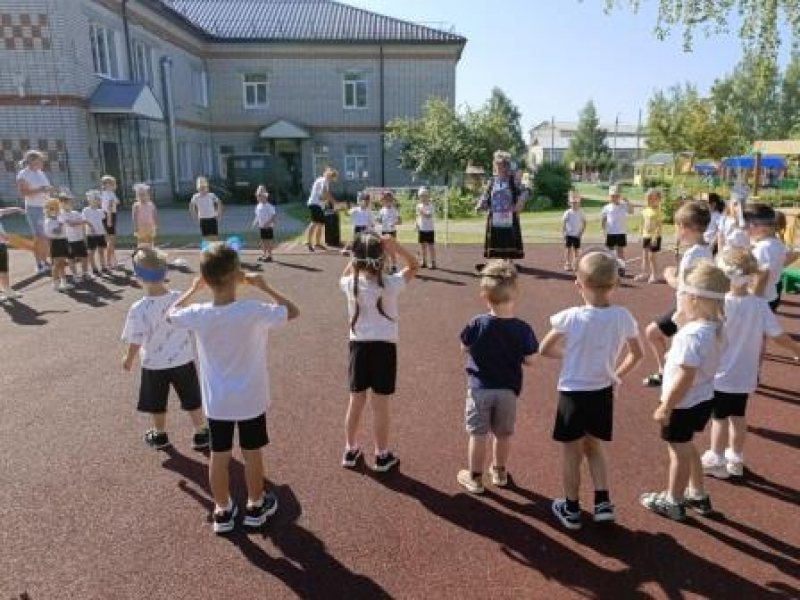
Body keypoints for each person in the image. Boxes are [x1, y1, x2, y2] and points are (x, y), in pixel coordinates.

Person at [168, 243, 299, 534]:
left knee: (219, 455)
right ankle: (255, 504)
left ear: (207, 279)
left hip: (218, 403)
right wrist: (265, 286)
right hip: (250, 399)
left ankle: (222, 510)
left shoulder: (199, 313)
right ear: (237, 275)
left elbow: (170, 314)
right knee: (252, 453)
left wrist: (192, 290)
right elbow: (293, 311)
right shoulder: (252, 310)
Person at [539, 252, 643, 530]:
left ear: (578, 284)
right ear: (616, 284)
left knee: (571, 453)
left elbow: (544, 348)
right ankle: (602, 503)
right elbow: (637, 354)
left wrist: (572, 355)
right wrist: (616, 376)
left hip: (573, 393)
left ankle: (571, 509)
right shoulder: (623, 316)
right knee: (594, 447)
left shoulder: (571, 316)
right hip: (602, 392)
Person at [640, 261, 729, 521]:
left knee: (677, 452)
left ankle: (674, 500)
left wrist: (666, 406)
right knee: (687, 446)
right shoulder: (715, 327)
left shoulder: (691, 335)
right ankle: (697, 493)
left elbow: (685, 375)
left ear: (694, 299)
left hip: (682, 403)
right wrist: (682, 326)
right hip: (701, 399)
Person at [702, 248, 800, 480]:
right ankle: (736, 458)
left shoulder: (719, 304)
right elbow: (778, 335)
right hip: (745, 374)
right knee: (738, 416)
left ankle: (716, 458)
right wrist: (797, 349)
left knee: (719, 419)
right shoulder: (759, 304)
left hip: (720, 375)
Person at [457, 261, 537, 494]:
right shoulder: (523, 329)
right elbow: (531, 360)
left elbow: (464, 347)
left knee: (477, 434)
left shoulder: (477, 323)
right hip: (508, 391)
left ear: (485, 295)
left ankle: (475, 477)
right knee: (503, 435)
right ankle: (499, 471)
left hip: (479, 389)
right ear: (516, 293)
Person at [340, 233, 419, 472]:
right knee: (380, 406)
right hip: (384, 348)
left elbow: (345, 274)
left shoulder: (349, 283)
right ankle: (381, 455)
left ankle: (350, 449)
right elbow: (414, 265)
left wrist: (357, 256)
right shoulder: (391, 284)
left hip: (359, 347)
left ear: (355, 259)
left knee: (356, 401)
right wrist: (397, 246)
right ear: (382, 258)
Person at [121, 247, 209, 451]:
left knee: (157, 401)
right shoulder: (178, 298)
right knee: (191, 397)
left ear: (138, 277)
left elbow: (136, 339)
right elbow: (189, 317)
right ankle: (201, 431)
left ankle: (160, 434)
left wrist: (128, 358)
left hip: (154, 364)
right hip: (183, 360)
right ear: (164, 272)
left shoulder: (138, 308)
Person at [642, 202, 712, 387]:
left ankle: (672, 380)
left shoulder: (693, 254)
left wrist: (669, 276)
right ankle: (665, 372)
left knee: (677, 351)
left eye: (676, 226)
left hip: (688, 311)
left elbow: (685, 288)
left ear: (684, 227)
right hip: (692, 307)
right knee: (652, 333)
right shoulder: (704, 249)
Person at [477, 151, 524, 270]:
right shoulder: (492, 181)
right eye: (496, 164)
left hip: (509, 216)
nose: (498, 167)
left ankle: (509, 262)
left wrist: (518, 205)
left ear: (506, 166)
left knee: (508, 238)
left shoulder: (512, 180)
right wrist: (480, 204)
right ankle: (497, 263)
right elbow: (485, 195)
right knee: (496, 239)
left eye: (500, 165)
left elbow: (524, 192)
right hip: (495, 215)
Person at [16, 150, 52, 274]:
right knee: (39, 237)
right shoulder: (23, 174)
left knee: (46, 237)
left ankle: (44, 261)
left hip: (46, 207)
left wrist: (49, 191)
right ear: (31, 161)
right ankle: (39, 264)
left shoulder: (40, 172)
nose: (42, 163)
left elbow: (45, 189)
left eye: (42, 161)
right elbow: (23, 193)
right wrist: (41, 189)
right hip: (34, 208)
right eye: (39, 161)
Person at [746, 204, 787, 313]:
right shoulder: (777, 243)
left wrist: (752, 303)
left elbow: (761, 278)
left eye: (748, 225)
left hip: (759, 299)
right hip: (769, 295)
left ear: (762, 228)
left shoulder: (763, 248)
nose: (745, 229)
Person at [600, 185, 633, 276]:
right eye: (612, 196)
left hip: (620, 232)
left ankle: (621, 268)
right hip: (610, 232)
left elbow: (631, 211)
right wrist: (603, 230)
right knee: (610, 251)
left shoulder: (623, 206)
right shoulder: (606, 207)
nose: (614, 198)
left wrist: (628, 201)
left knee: (620, 251)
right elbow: (603, 220)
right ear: (609, 196)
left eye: (616, 196)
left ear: (619, 196)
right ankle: (610, 268)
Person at [58, 191, 91, 282]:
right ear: (60, 203)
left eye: (69, 201)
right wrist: (79, 222)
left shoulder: (76, 213)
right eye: (64, 201)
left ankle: (85, 273)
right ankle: (75, 275)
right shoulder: (60, 214)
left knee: (84, 257)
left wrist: (79, 224)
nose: (67, 203)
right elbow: (71, 224)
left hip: (79, 239)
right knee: (71, 258)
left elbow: (84, 222)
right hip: (69, 241)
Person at [634, 188, 664, 283]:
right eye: (650, 198)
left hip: (654, 237)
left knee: (652, 257)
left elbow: (659, 226)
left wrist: (654, 238)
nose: (652, 200)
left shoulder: (658, 211)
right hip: (645, 236)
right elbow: (642, 223)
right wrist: (640, 235)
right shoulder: (645, 210)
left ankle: (654, 275)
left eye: (655, 199)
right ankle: (644, 273)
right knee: (645, 256)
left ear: (658, 200)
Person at [306, 167, 337, 252]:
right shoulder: (324, 180)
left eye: (332, 176)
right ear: (327, 174)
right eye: (331, 176)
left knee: (320, 224)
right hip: (314, 204)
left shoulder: (323, 181)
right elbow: (324, 193)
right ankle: (309, 242)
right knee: (314, 222)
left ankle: (317, 243)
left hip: (317, 205)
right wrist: (334, 201)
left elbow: (322, 195)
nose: (332, 178)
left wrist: (326, 202)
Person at [44, 197, 71, 292]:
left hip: (63, 241)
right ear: (47, 210)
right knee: (56, 264)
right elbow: (56, 232)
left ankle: (64, 282)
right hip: (55, 243)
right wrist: (60, 224)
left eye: (56, 208)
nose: (55, 211)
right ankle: (55, 283)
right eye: (52, 209)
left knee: (62, 263)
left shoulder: (59, 219)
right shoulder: (48, 221)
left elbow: (63, 231)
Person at [0, 205, 26, 301]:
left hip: (1, 244)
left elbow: (5, 211)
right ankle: (7, 291)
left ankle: (7, 290)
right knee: (3, 269)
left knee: (3, 269)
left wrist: (17, 209)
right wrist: (2, 235)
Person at [83, 190, 109, 275]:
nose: (97, 201)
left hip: (100, 234)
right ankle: (94, 268)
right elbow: (84, 220)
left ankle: (103, 266)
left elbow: (103, 223)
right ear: (89, 200)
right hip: (91, 235)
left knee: (101, 251)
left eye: (98, 199)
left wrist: (105, 233)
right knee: (91, 252)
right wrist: (91, 226)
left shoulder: (100, 211)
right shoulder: (86, 210)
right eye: (95, 199)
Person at [190, 176, 223, 241]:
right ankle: (208, 246)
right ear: (198, 189)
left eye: (204, 188)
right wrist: (194, 215)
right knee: (205, 237)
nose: (203, 190)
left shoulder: (211, 195)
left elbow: (219, 203)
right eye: (201, 188)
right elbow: (191, 206)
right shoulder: (195, 197)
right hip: (202, 219)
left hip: (212, 218)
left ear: (207, 188)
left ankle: (215, 246)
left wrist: (219, 213)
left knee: (214, 236)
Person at [561, 191, 586, 272]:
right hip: (569, 234)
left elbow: (584, 223)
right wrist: (564, 233)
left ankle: (576, 264)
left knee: (576, 250)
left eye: (576, 203)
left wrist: (581, 232)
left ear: (579, 203)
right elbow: (564, 223)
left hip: (577, 235)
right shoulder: (568, 212)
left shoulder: (581, 212)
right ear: (569, 203)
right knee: (568, 249)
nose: (574, 204)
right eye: (572, 203)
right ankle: (567, 264)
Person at [100, 175, 120, 269]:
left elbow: (116, 202)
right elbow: (109, 207)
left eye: (113, 183)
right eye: (112, 183)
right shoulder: (110, 194)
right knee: (111, 241)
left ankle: (113, 261)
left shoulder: (107, 193)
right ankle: (109, 262)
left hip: (107, 216)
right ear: (106, 185)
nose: (114, 185)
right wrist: (109, 220)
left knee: (110, 240)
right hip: (110, 216)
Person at [378, 192, 401, 272]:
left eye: (389, 200)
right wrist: (378, 220)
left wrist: (394, 223)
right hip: (384, 231)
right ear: (383, 201)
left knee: (392, 250)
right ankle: (387, 266)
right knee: (385, 250)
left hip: (392, 232)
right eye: (386, 200)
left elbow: (400, 221)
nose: (388, 201)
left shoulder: (395, 210)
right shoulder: (381, 210)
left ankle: (394, 266)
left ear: (392, 200)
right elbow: (380, 220)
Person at [252, 185, 276, 262]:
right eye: (258, 196)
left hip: (269, 228)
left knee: (268, 241)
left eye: (260, 196)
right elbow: (257, 216)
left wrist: (267, 223)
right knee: (263, 241)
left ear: (265, 196)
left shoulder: (270, 206)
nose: (258, 197)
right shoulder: (258, 206)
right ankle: (264, 254)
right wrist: (255, 222)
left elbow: (273, 217)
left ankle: (270, 256)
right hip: (261, 227)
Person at [415, 187, 437, 269]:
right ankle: (424, 262)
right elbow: (417, 216)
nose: (423, 197)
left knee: (431, 247)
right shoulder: (418, 205)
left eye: (425, 195)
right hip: (422, 229)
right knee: (422, 247)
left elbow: (428, 216)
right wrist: (416, 224)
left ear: (428, 196)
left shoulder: (431, 205)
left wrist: (421, 212)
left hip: (430, 229)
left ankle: (433, 262)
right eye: (421, 196)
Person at [132, 183, 158, 249]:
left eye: (144, 195)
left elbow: (154, 214)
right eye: (140, 195)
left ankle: (151, 250)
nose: (142, 197)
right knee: (141, 240)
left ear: (147, 195)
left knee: (150, 239)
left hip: (150, 225)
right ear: (137, 196)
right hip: (141, 226)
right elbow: (134, 216)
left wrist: (156, 223)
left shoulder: (151, 204)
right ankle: (140, 252)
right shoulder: (136, 205)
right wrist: (135, 226)